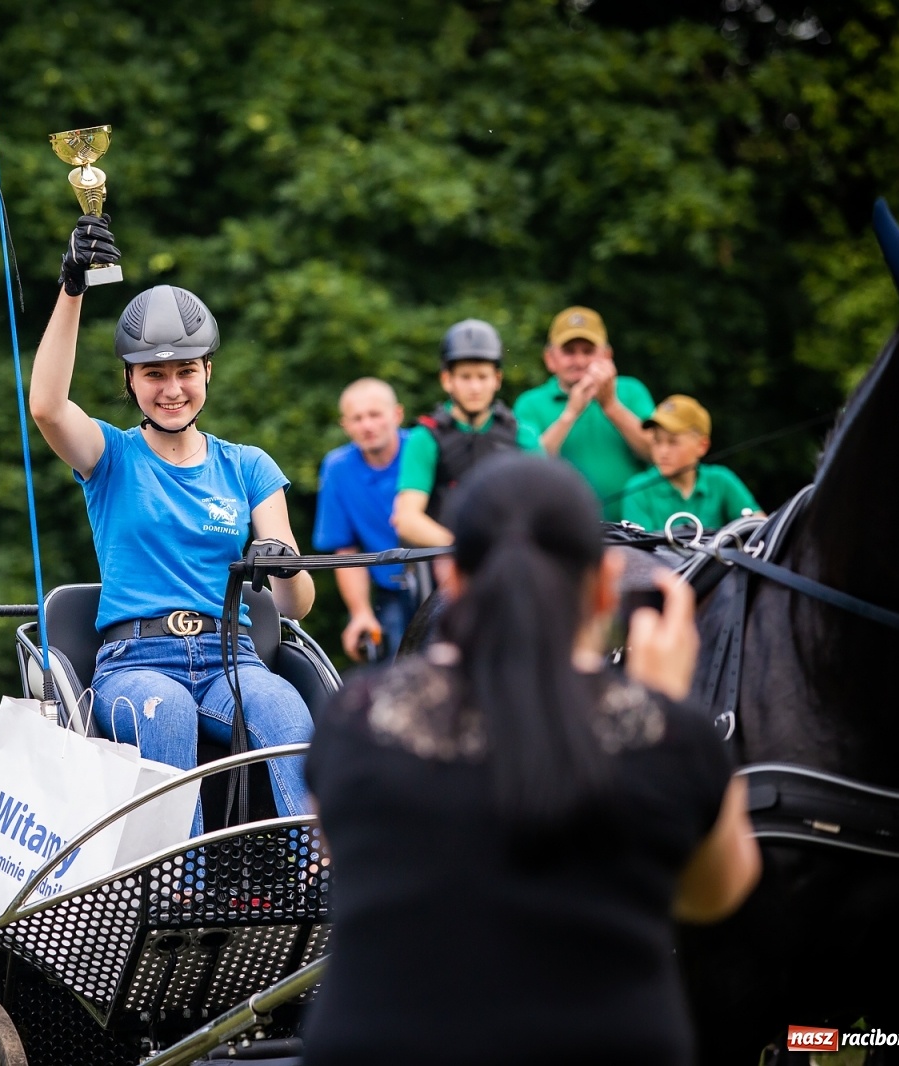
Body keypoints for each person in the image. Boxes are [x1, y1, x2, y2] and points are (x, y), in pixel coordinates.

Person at [304, 454, 761, 1066]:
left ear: (453, 579)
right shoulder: (667, 738)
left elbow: (346, 849)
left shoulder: (355, 720)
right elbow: (715, 896)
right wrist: (665, 709)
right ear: (603, 589)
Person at [29, 214, 316, 834]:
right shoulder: (111, 457)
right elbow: (47, 407)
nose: (172, 389)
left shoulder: (248, 467)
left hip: (232, 657)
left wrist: (282, 564)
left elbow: (297, 606)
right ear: (130, 381)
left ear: (208, 371)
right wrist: (73, 289)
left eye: (186, 370)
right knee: (167, 715)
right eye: (154, 374)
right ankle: (178, 904)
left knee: (289, 715)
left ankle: (321, 891)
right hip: (137, 660)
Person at [393, 319, 539, 549]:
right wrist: (464, 549)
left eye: (482, 377)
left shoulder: (522, 435)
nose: (475, 387)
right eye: (465, 377)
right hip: (446, 564)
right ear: (447, 380)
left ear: (497, 379)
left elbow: (540, 504)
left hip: (509, 557)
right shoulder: (426, 438)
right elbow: (407, 519)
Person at [513, 306, 655, 520]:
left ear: (607, 355)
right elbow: (524, 471)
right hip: (559, 531)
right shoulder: (529, 403)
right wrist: (570, 413)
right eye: (569, 352)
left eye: (588, 352)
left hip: (634, 533)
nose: (579, 362)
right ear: (550, 358)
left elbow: (657, 454)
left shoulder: (632, 391)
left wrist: (611, 406)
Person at [312, 378, 412, 663]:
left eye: (375, 415)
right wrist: (360, 613)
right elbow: (345, 551)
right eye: (357, 418)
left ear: (397, 415)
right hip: (390, 590)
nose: (367, 426)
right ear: (345, 425)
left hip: (442, 577)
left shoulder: (422, 449)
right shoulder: (338, 468)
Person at [620, 395, 763, 533]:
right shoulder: (637, 490)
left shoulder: (721, 480)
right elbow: (639, 552)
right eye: (657, 441)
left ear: (702, 446)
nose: (662, 451)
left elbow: (760, 527)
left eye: (673, 442)